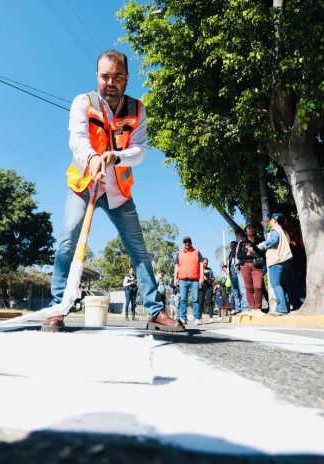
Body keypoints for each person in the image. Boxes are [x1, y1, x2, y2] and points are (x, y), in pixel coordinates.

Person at [48, 49, 184, 332]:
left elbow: (140, 150)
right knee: (67, 242)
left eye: (117, 77)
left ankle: (155, 312)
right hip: (83, 186)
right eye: (105, 76)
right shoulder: (82, 103)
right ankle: (57, 308)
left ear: (126, 79)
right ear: (97, 76)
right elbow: (77, 139)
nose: (110, 82)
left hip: (118, 193)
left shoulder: (137, 109)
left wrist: (115, 156)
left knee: (139, 250)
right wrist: (93, 158)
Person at [257, 213, 293, 316]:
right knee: (282, 285)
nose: (269, 222)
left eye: (271, 220)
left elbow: (273, 241)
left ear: (275, 221)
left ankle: (281, 308)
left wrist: (262, 245)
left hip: (276, 261)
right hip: (284, 261)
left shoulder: (275, 230)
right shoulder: (282, 231)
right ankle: (285, 307)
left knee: (276, 284)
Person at [174, 236, 204, 325]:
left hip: (194, 280)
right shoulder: (179, 253)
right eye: (185, 242)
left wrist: (201, 276)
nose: (187, 243)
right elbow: (176, 267)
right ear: (183, 243)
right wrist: (175, 278)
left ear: (191, 243)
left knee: (195, 299)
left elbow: (201, 264)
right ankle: (183, 318)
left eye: (188, 242)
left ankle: (197, 318)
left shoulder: (197, 252)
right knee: (183, 299)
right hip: (183, 280)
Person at [239, 224, 265, 313]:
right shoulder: (242, 242)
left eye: (252, 228)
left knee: (258, 286)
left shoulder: (260, 240)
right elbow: (239, 256)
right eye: (248, 229)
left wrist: (255, 248)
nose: (251, 230)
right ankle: (252, 308)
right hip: (245, 265)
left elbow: (264, 252)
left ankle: (258, 308)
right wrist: (246, 255)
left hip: (257, 265)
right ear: (246, 232)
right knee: (249, 288)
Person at [227, 239, 245, 314]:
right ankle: (238, 308)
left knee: (242, 290)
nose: (232, 247)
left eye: (233, 246)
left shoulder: (239, 253)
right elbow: (228, 265)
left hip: (240, 273)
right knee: (235, 292)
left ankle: (244, 307)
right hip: (233, 274)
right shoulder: (230, 254)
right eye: (231, 246)